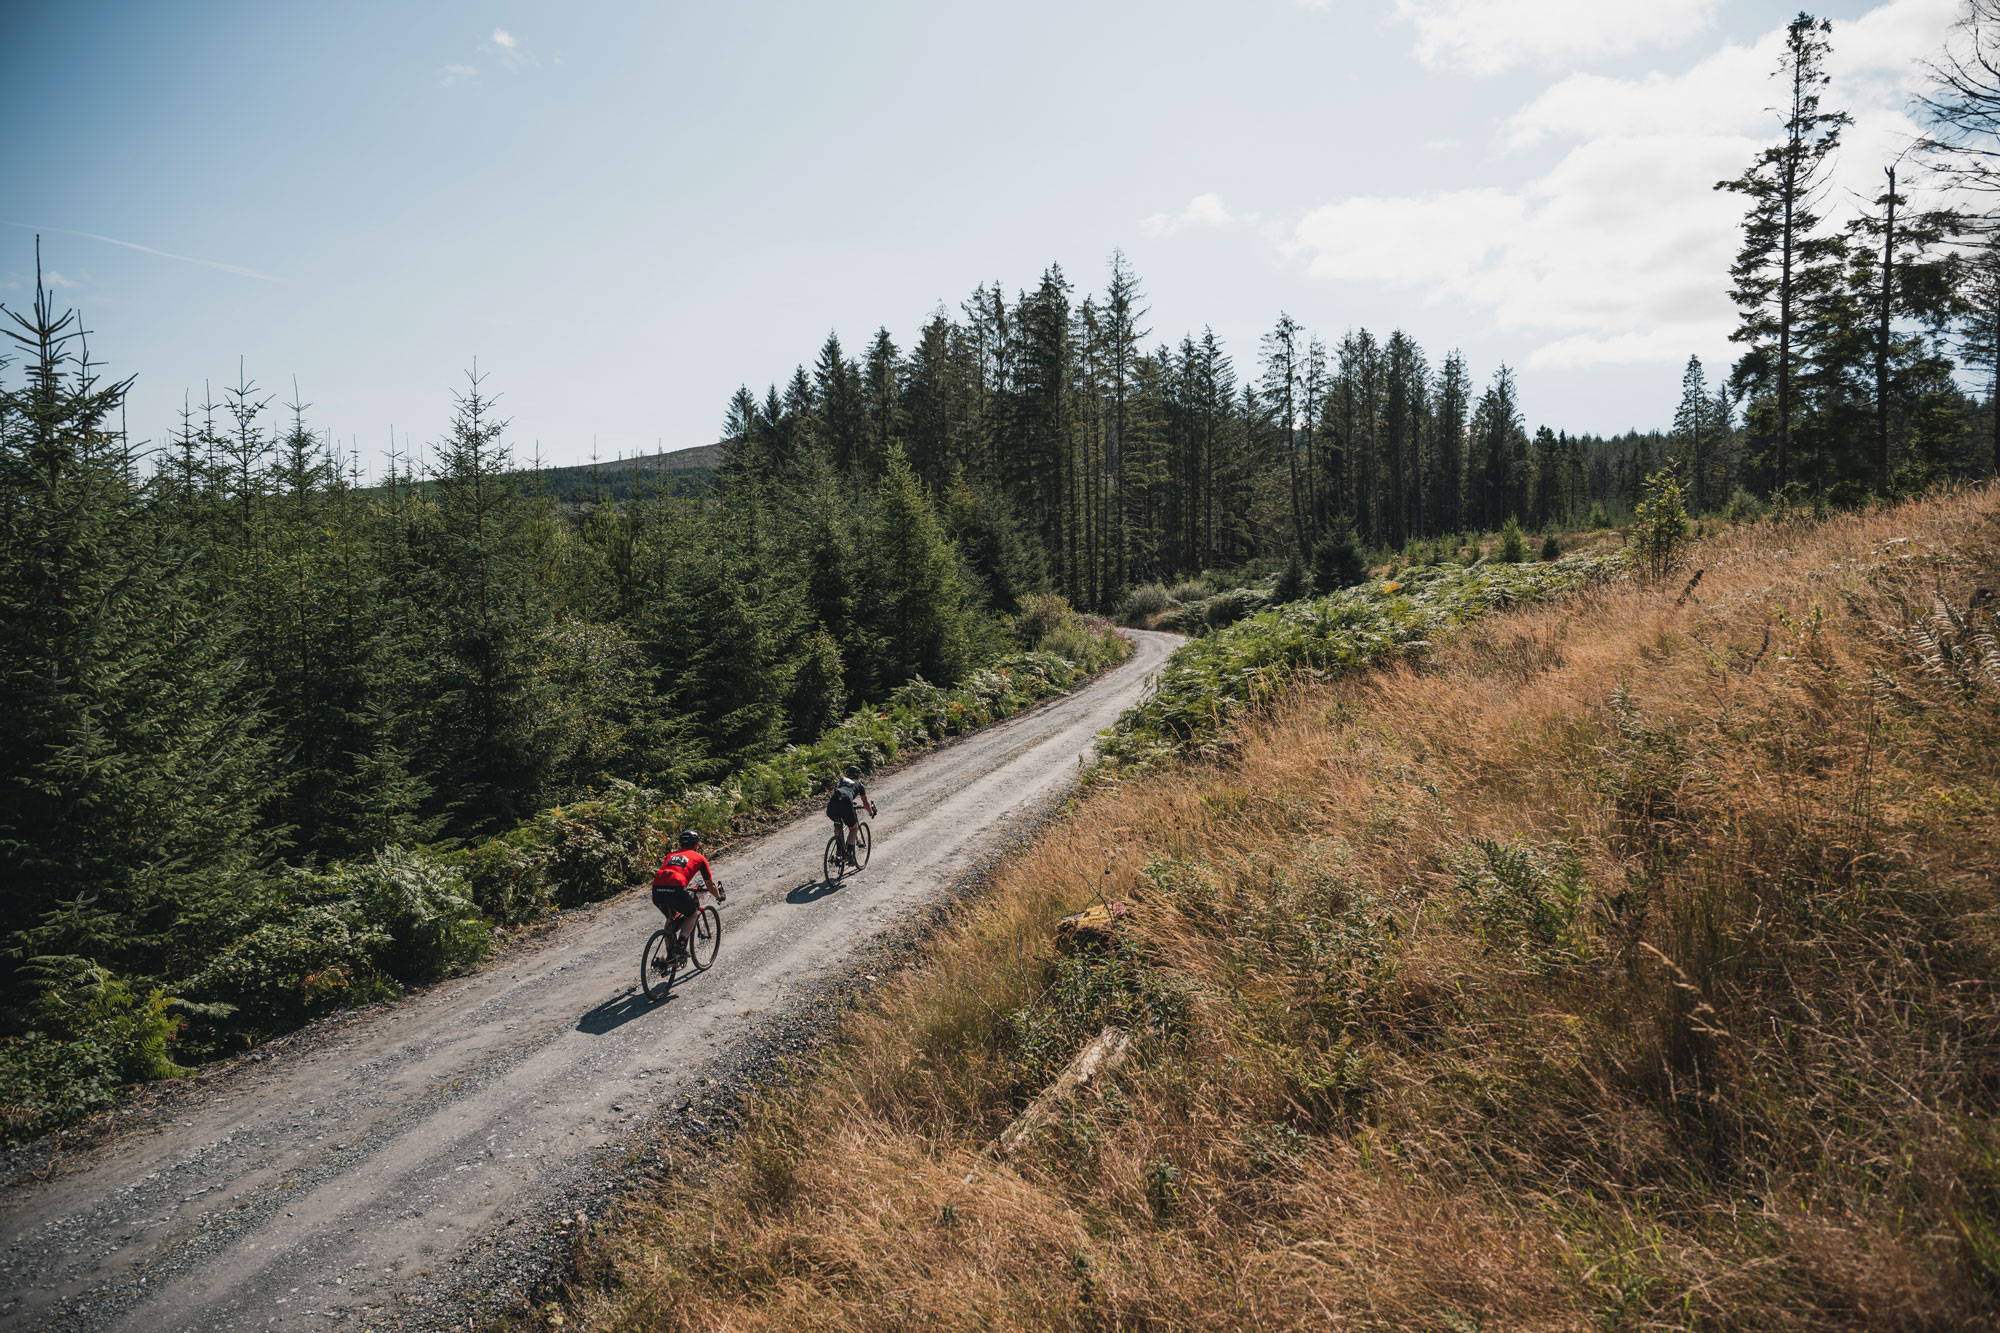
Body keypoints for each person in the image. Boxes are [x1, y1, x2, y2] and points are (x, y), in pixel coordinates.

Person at [652, 829, 722, 959]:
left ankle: (670, 956)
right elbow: (709, 884)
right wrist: (718, 896)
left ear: (680, 844)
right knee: (692, 914)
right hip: (676, 887)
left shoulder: (670, 855)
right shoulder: (700, 858)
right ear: (696, 844)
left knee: (670, 919)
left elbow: (671, 872)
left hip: (657, 889)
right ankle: (681, 944)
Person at [825, 765, 876, 867]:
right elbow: (865, 802)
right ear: (858, 775)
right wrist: (870, 812)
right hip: (846, 802)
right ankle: (849, 854)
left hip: (832, 804)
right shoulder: (859, 784)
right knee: (854, 828)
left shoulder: (842, 780)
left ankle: (839, 852)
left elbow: (842, 792)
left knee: (838, 826)